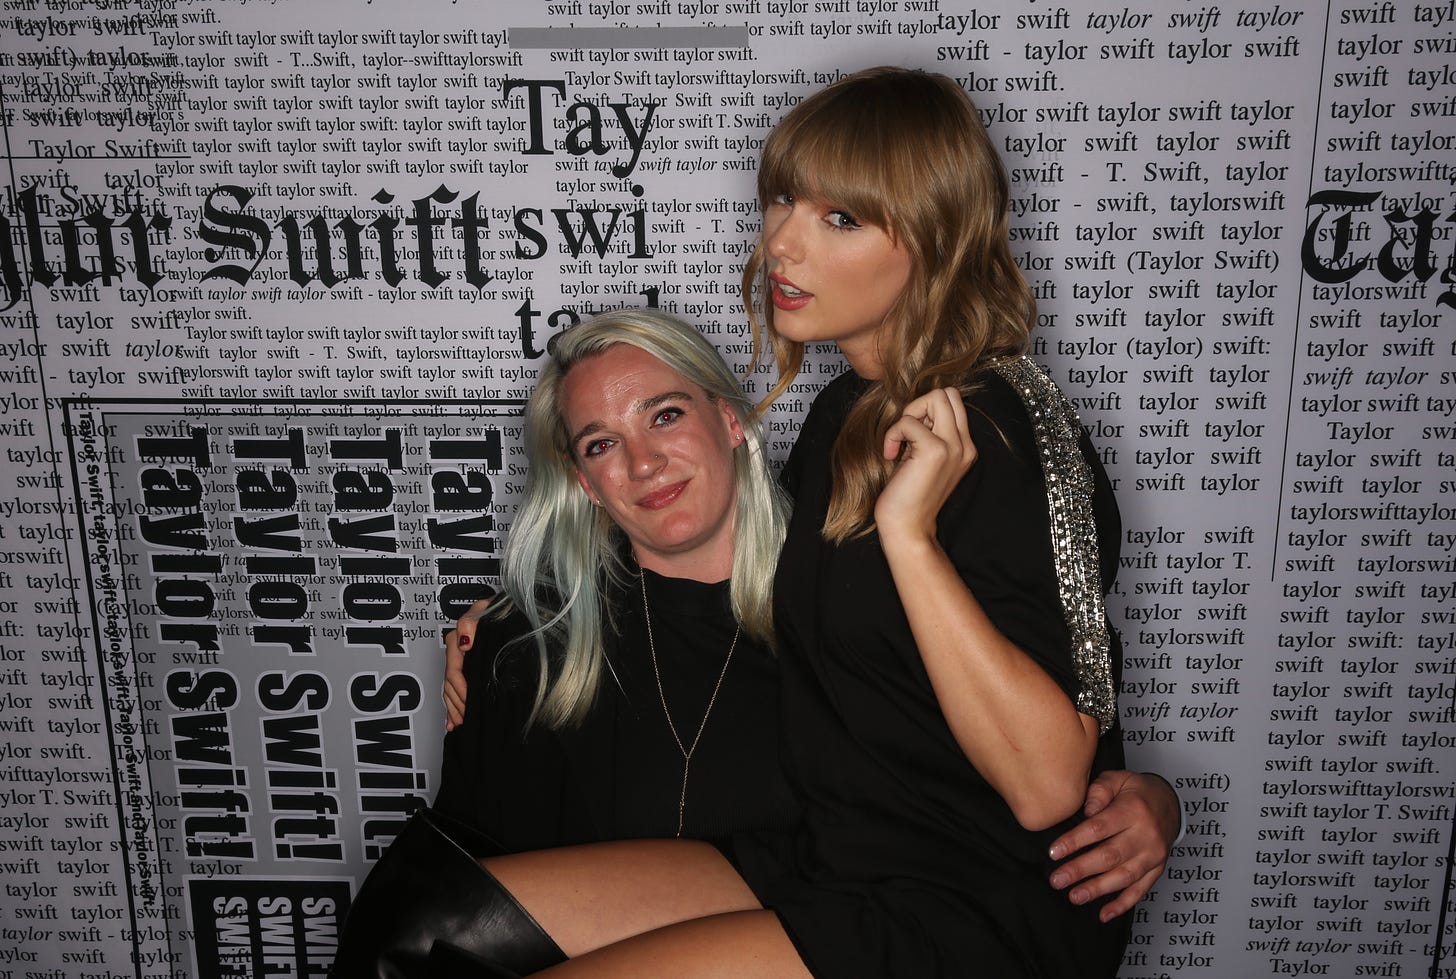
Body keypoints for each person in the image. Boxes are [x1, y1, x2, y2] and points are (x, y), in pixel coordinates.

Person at [444, 66, 1143, 977]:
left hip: (964, 904)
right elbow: (691, 513)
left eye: (838, 219)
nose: (781, 243)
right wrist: (511, 616)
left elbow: (1050, 781)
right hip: (839, 859)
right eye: (781, 199)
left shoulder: (1001, 425)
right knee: (447, 922)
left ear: (935, 234)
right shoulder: (843, 412)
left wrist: (910, 537)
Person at [333, 306, 1176, 976]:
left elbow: (1015, 730)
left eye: (665, 414)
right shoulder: (527, 655)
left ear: (731, 419)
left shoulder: (856, 588)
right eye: (602, 444)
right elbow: (459, 904)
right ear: (584, 481)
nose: (644, 461)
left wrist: (1144, 799)